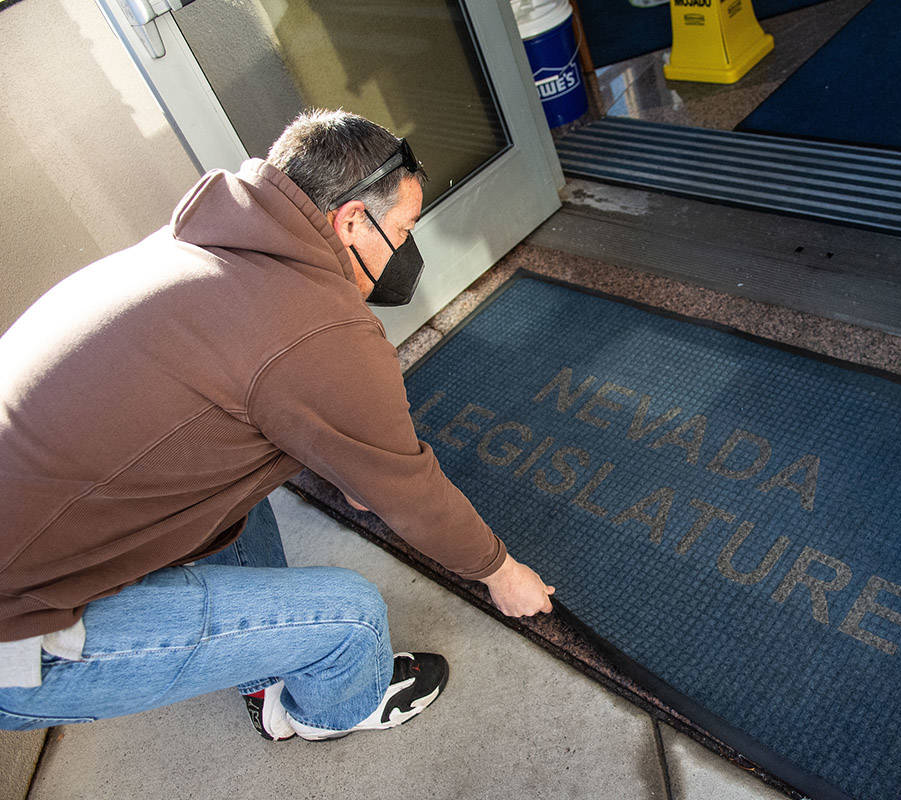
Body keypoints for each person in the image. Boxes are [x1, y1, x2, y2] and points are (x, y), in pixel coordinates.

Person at [0, 109, 555, 742]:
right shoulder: (317, 330)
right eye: (401, 230)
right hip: (15, 648)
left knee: (233, 482)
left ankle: (259, 666)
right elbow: (413, 495)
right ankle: (325, 710)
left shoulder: (211, 240)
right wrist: (500, 571)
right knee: (352, 619)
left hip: (29, 539)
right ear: (350, 220)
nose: (407, 250)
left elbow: (261, 391)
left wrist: (353, 470)